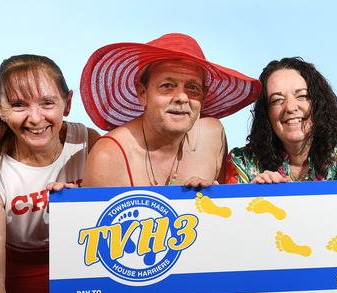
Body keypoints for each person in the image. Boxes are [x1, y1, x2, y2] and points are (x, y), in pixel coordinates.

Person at [0, 55, 99, 293]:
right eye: (19, 105)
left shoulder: (88, 142)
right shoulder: (0, 169)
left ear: (67, 104)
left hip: (80, 283)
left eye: (46, 103)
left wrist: (82, 209)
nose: (35, 117)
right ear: (0, 109)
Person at [81, 33, 260, 187]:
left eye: (192, 88)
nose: (182, 97)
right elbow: (90, 225)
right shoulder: (110, 156)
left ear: (203, 97)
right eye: (167, 86)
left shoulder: (213, 136)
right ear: (143, 93)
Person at [225, 57, 337, 183]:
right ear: (266, 113)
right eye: (277, 100)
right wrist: (250, 197)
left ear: (319, 104)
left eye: (302, 96)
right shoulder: (242, 161)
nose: (290, 107)